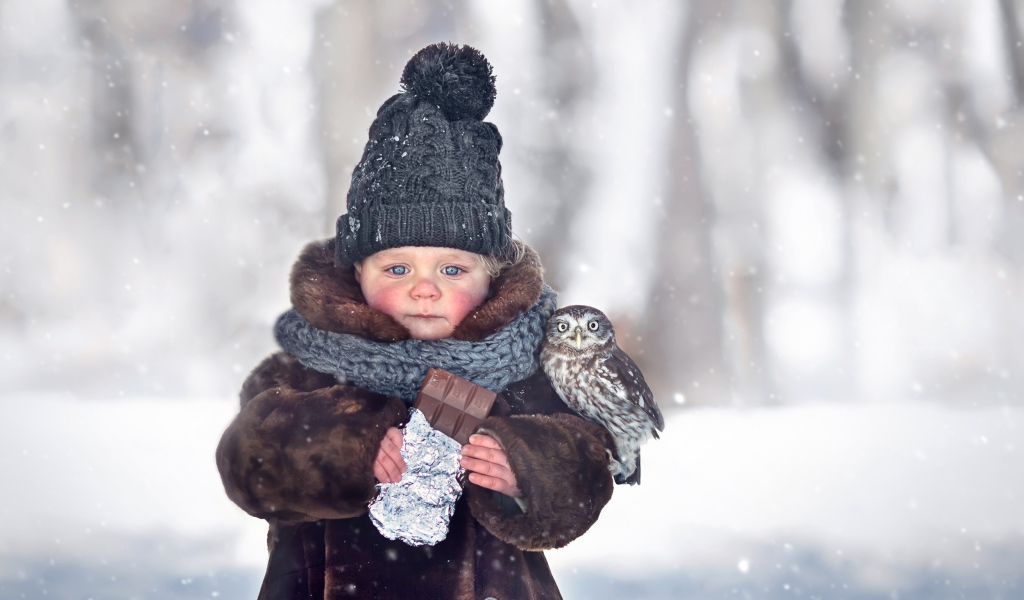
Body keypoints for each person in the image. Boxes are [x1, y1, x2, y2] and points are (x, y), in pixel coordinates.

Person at [216, 42, 616, 600]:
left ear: (490, 278)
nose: (423, 288)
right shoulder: (305, 371)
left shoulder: (528, 374)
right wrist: (342, 443)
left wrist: (524, 467)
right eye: (397, 267)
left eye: (452, 268)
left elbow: (585, 470)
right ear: (357, 273)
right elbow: (249, 465)